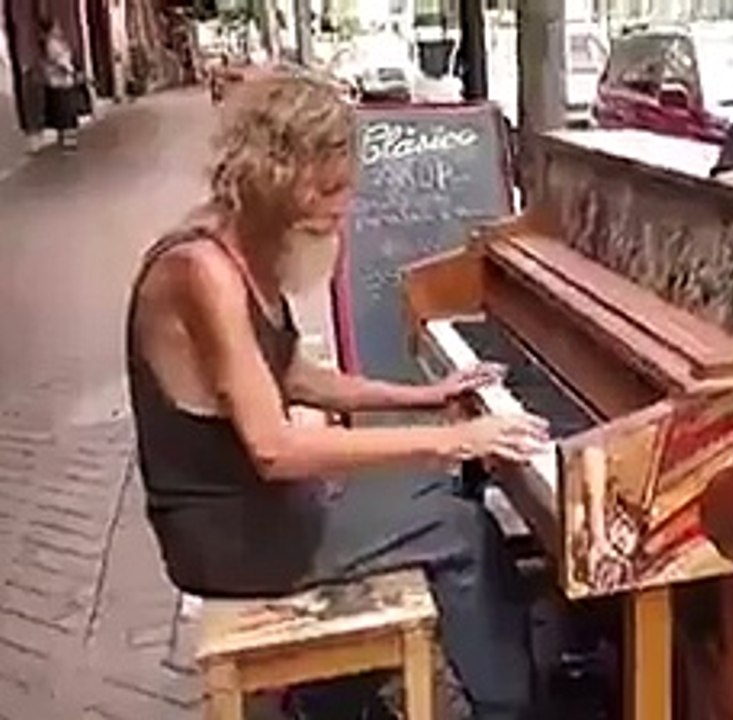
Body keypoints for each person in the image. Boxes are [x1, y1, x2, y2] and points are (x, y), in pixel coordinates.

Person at [125, 70, 549, 719]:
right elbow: (273, 447)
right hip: (232, 535)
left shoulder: (240, 246)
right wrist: (454, 437)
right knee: (460, 529)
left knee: (436, 495)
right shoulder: (202, 271)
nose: (341, 207)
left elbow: (291, 372)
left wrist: (426, 397)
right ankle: (512, 710)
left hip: (259, 511)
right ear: (272, 172)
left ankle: (336, 699)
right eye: (326, 189)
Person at [38, 18, 78, 150]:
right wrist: (70, 70)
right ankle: (68, 141)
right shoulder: (52, 43)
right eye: (56, 27)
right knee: (64, 111)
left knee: (65, 111)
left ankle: (68, 140)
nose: (59, 29)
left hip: (62, 80)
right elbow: (59, 60)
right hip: (60, 81)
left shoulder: (57, 42)